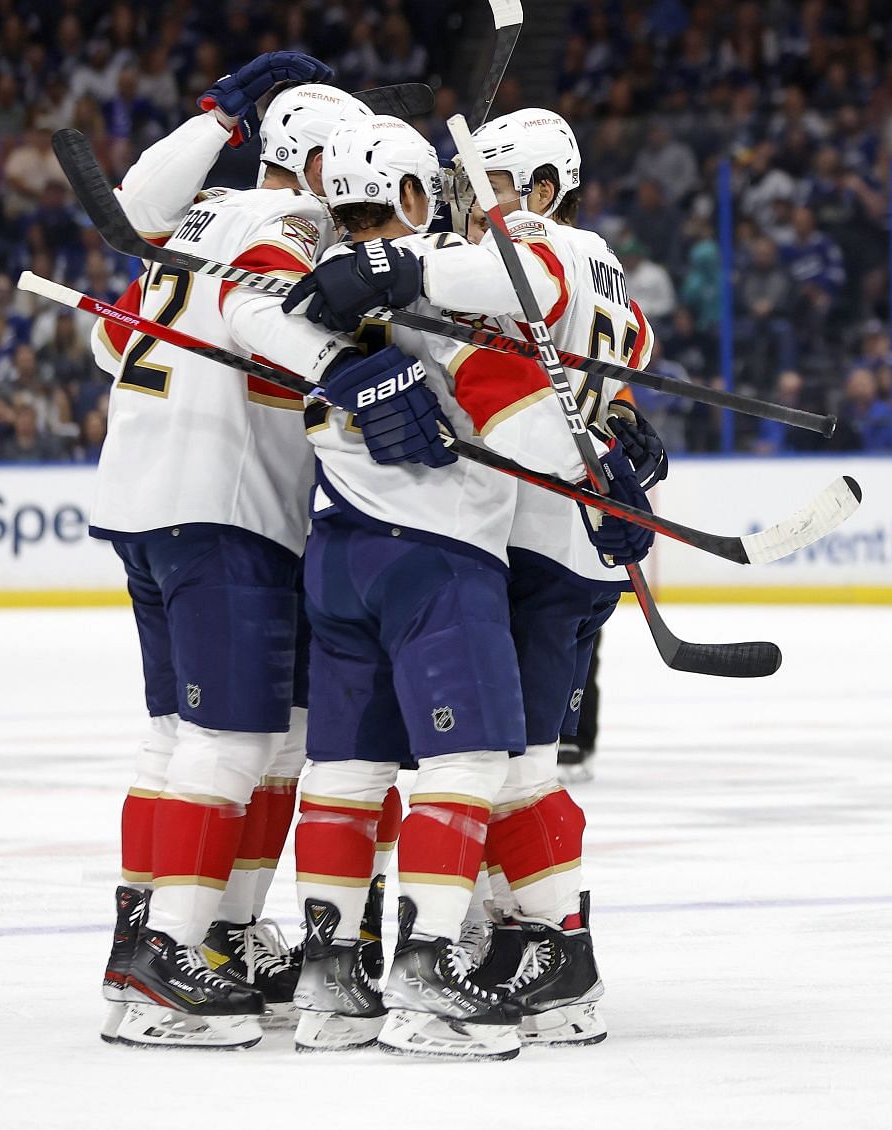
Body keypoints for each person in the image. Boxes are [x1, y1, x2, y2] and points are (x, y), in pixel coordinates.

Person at [280, 113, 657, 1057]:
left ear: (536, 183)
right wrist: (618, 460)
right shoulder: (602, 260)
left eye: (488, 180)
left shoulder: (512, 247)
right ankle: (524, 945)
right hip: (555, 545)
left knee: (485, 767)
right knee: (502, 765)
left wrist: (403, 274)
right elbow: (615, 372)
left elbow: (521, 298)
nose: (469, 199)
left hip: (497, 541)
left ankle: (511, 950)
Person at [87, 64, 386, 1050]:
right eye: (341, 167)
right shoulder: (288, 227)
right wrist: (366, 374)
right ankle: (170, 951)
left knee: (195, 733)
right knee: (234, 742)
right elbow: (269, 323)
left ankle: (193, 928)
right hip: (225, 508)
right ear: (306, 160)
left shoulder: (198, 221)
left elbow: (107, 341)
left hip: (148, 495)